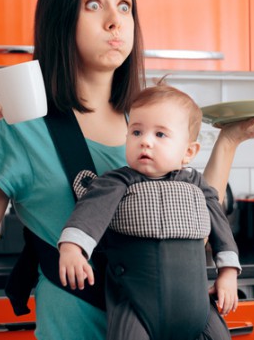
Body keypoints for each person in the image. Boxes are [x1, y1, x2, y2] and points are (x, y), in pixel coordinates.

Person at [0, 0, 254, 340]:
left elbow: (185, 233)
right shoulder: (22, 126)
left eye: (125, 5)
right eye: (93, 4)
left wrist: (229, 141)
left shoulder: (146, 120)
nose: (115, 20)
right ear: (60, 20)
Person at [58, 83, 240, 340]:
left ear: (189, 151)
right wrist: (72, 248)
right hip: (135, 306)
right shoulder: (117, 181)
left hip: (198, 309)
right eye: (136, 132)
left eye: (160, 135)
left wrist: (228, 273)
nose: (145, 141)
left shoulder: (198, 186)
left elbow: (222, 230)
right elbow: (90, 213)